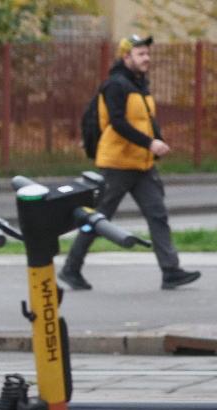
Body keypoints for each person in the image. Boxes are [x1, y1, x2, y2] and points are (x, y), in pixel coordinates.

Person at [60, 35, 201, 291]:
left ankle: (171, 272)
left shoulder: (139, 84)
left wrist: (156, 141)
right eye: (140, 54)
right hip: (116, 165)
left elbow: (145, 120)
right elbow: (118, 123)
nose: (146, 58)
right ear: (126, 57)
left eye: (147, 54)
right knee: (99, 218)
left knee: (157, 214)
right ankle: (71, 269)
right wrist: (150, 143)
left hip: (143, 166)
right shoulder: (116, 85)